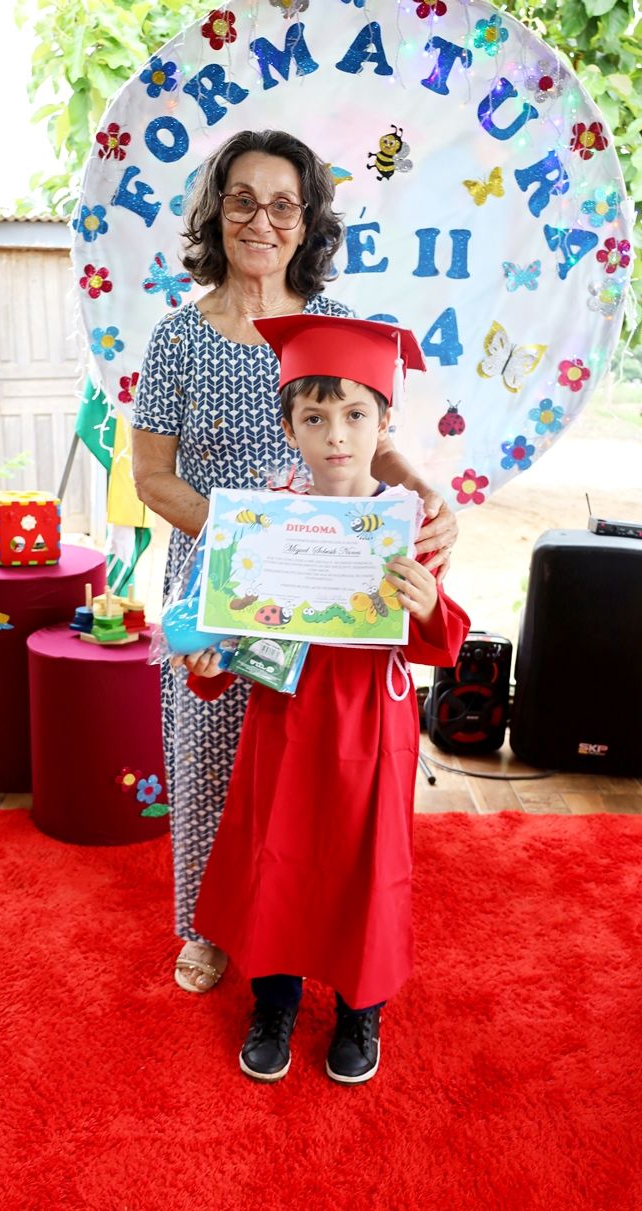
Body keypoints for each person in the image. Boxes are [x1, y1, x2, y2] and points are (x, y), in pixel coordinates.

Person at [132, 129, 459, 995]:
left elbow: (373, 443)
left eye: (283, 204)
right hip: (220, 576)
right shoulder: (176, 339)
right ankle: (207, 924)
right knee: (212, 749)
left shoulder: (335, 326)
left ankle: (305, 928)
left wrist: (429, 495)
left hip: (328, 584)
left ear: (307, 220)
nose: (261, 221)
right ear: (216, 211)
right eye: (242, 200)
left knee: (306, 765)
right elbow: (151, 477)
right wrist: (248, 539)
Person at [181, 313, 470, 1084]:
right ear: (289, 428)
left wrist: (426, 605)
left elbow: (440, 640)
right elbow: (225, 638)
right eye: (314, 417)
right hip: (285, 717)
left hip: (373, 720)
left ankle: (359, 1006)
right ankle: (273, 999)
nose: (336, 435)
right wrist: (207, 661)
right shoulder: (261, 524)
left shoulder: (411, 525)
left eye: (354, 414)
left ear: (382, 422)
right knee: (275, 855)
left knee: (364, 865)